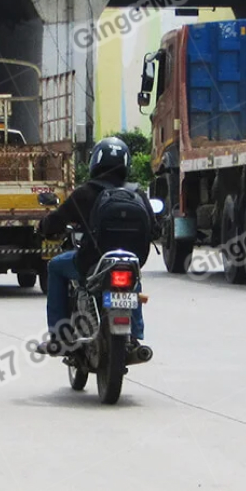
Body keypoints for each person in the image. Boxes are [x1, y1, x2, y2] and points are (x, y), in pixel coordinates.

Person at [36, 137, 155, 356]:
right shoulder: (137, 194)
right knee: (132, 281)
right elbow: (155, 230)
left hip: (92, 260)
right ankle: (135, 337)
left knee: (55, 266)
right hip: (131, 261)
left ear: (95, 162)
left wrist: (43, 226)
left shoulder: (85, 193)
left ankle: (59, 335)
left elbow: (57, 221)